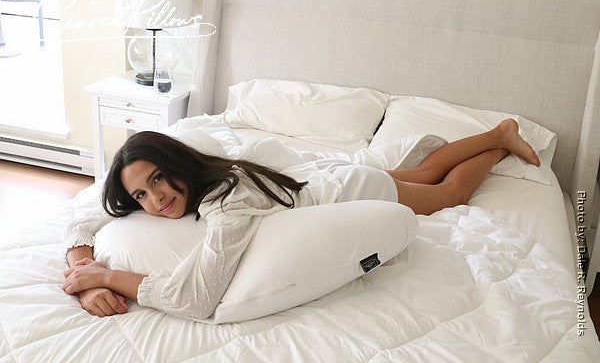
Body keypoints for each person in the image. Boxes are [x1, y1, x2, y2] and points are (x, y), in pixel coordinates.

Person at [62, 118, 539, 320]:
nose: (156, 198)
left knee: (444, 190)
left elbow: (197, 299)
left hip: (348, 189)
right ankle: (497, 133)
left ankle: (499, 141)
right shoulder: (202, 177)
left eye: (159, 179)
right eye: (140, 194)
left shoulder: (224, 202)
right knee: (423, 170)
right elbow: (82, 220)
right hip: (318, 179)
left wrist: (107, 275)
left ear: (176, 164)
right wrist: (81, 272)